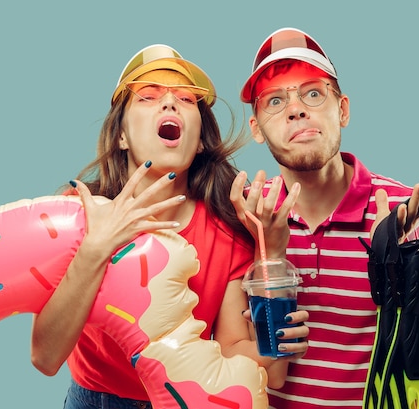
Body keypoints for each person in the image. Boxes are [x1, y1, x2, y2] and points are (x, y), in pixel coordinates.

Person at [30, 43, 308, 409]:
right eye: (147, 96)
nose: (169, 103)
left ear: (199, 141)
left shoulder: (225, 233)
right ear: (121, 136)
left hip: (182, 399)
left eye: (186, 99)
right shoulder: (78, 212)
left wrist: (278, 333)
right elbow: (45, 357)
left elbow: (248, 360)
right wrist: (96, 248)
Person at [230, 27, 419, 408]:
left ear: (343, 110)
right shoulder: (247, 215)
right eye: (274, 101)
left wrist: (403, 266)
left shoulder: (417, 211)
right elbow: (229, 358)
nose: (296, 108)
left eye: (313, 93)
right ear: (256, 128)